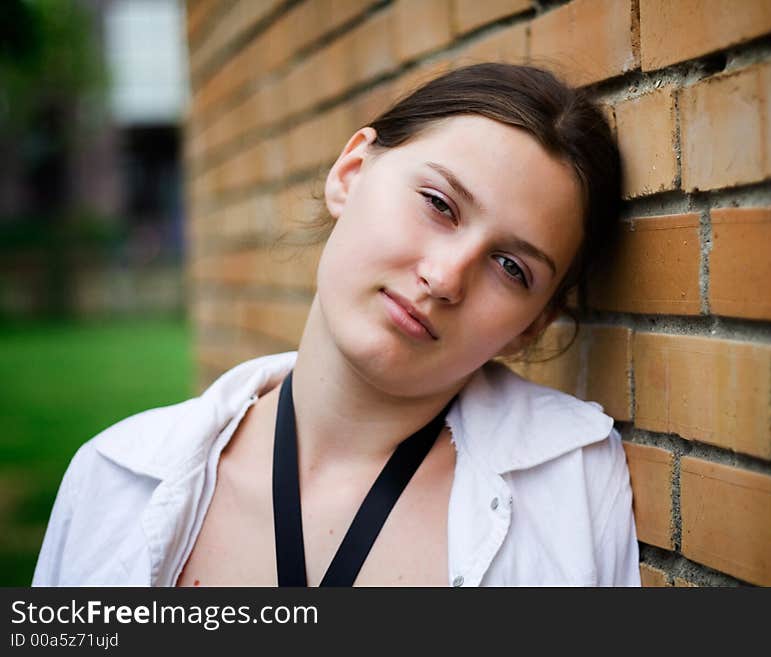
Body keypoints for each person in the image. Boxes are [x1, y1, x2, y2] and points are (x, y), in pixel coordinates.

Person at [33, 63, 639, 587]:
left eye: (511, 268)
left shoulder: (574, 490)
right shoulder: (113, 476)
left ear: (532, 326)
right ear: (350, 173)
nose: (447, 278)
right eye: (438, 204)